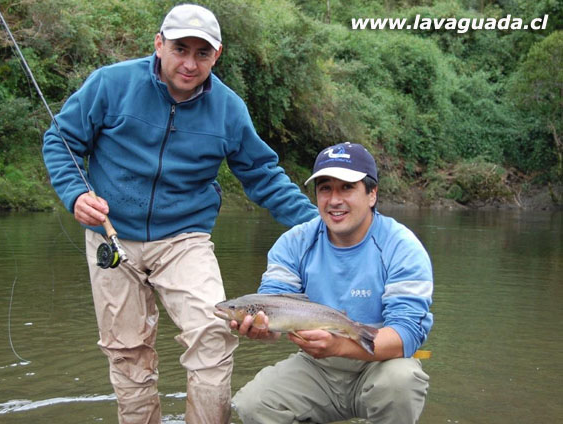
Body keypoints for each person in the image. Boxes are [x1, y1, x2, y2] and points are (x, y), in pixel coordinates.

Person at [42, 4, 317, 424]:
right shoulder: (111, 84)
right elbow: (60, 141)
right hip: (110, 234)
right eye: (180, 49)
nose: (189, 63)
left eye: (201, 54)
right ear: (159, 44)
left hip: (184, 238)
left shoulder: (228, 109)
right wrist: (75, 193)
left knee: (213, 334)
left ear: (216, 55)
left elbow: (263, 175)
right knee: (127, 351)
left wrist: (318, 226)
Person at [231, 142, 433, 424]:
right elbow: (273, 304)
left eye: (347, 188)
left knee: (402, 381)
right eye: (325, 188)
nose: (334, 200)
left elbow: (408, 333)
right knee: (253, 404)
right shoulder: (293, 243)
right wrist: (263, 329)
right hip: (316, 368)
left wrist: (339, 346)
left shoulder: (402, 247)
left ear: (372, 194)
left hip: (381, 364)